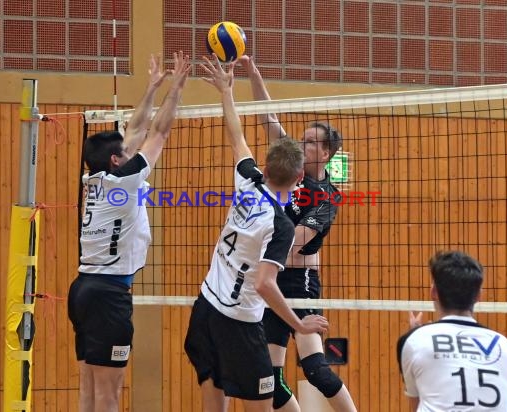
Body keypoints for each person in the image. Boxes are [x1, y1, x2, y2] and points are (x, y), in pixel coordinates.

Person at [184, 54, 329, 412]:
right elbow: (265, 284)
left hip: (204, 309)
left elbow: (236, 134)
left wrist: (226, 91)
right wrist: (299, 323)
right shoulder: (281, 227)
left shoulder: (248, 179)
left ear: (265, 165)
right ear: (298, 180)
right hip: (239, 323)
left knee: (213, 401)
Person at [67, 51, 191, 412]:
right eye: (123, 152)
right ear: (117, 161)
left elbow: (134, 132)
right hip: (108, 296)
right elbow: (159, 132)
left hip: (83, 289)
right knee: (110, 394)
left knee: (89, 390)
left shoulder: (94, 179)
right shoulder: (127, 181)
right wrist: (177, 87)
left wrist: (152, 87)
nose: (128, 148)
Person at [240, 55, 357, 412]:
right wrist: (253, 74)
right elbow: (268, 119)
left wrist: (253, 243)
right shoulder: (291, 168)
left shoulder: (328, 196)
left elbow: (296, 243)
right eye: (302, 139)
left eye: (309, 142)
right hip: (271, 279)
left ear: (324, 153)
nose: (301, 144)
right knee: (270, 380)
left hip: (299, 282)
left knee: (317, 371)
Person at [397, 251, 507, 412]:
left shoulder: (415, 340)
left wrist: (416, 335)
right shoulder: (505, 347)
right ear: (479, 296)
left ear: (434, 292)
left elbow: (416, 405)